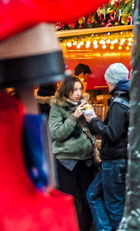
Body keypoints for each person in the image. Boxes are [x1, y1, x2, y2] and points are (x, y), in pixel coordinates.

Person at [85, 63, 130, 231]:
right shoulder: (129, 97)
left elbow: (112, 134)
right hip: (115, 160)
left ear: (113, 81)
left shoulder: (119, 103)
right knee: (93, 194)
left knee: (115, 208)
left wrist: (93, 121)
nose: (107, 85)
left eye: (108, 81)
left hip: (114, 162)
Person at [50, 75, 97, 231]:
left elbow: (93, 130)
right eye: (74, 90)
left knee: (88, 198)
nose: (78, 93)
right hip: (66, 160)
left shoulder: (85, 104)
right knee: (66, 199)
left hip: (86, 159)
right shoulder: (57, 107)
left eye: (79, 89)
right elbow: (57, 133)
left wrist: (93, 119)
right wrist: (73, 117)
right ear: (66, 91)